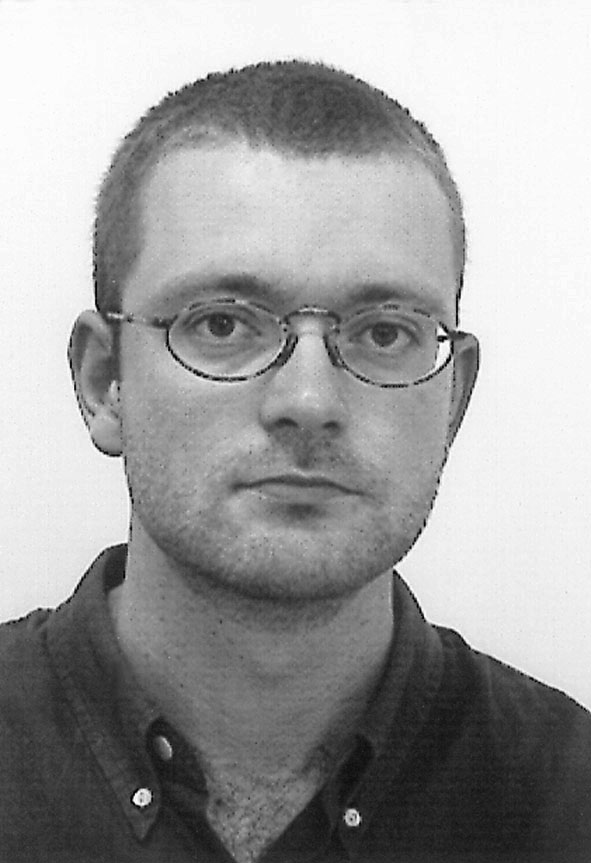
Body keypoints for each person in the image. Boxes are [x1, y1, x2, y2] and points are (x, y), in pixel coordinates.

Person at [1, 60, 589, 863]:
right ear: (106, 381)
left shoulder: (570, 803)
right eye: (221, 323)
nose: (309, 399)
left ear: (451, 398)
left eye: (383, 332)